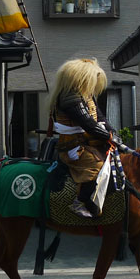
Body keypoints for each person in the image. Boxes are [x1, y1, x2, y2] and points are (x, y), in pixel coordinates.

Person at [49, 57, 116, 218]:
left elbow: (99, 119)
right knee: (97, 165)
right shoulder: (69, 97)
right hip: (74, 146)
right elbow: (88, 124)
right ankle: (79, 201)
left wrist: (112, 133)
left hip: (89, 142)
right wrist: (109, 137)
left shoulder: (86, 96)